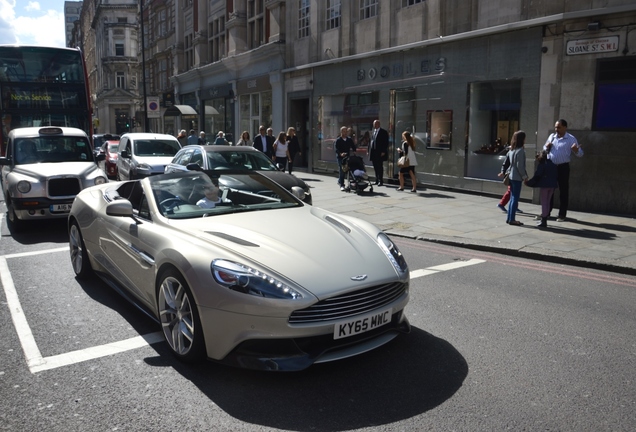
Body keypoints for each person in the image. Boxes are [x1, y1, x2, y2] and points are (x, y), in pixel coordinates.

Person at [542, 119, 583, 222]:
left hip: (563, 167)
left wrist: (576, 150)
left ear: (565, 127)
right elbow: (544, 148)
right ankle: (547, 212)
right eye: (555, 127)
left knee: (563, 190)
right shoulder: (552, 137)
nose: (557, 129)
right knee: (549, 190)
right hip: (551, 167)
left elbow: (580, 154)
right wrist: (546, 147)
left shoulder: (571, 139)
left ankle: (562, 214)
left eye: (559, 127)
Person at [525, 150, 558, 228]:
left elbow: (537, 176)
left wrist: (529, 183)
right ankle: (545, 218)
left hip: (545, 185)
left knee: (544, 202)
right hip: (552, 185)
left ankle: (544, 220)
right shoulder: (553, 164)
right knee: (548, 201)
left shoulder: (542, 165)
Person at [504, 130, 529, 226]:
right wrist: (525, 177)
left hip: (511, 176)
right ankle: (512, 219)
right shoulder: (521, 151)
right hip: (517, 177)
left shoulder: (512, 150)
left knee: (512, 198)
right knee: (515, 198)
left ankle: (509, 218)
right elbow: (520, 166)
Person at [335, 126, 356, 191]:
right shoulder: (338, 140)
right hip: (340, 158)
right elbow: (336, 149)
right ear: (341, 132)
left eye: (346, 131)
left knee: (349, 170)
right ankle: (342, 185)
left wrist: (354, 151)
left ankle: (340, 181)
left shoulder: (349, 139)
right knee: (342, 171)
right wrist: (340, 154)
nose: (345, 133)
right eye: (344, 131)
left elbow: (353, 146)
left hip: (347, 157)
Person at [368, 119, 389, 186]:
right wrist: (369, 150)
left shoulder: (383, 132)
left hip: (379, 152)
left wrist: (383, 151)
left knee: (380, 166)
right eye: (374, 124)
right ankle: (376, 179)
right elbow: (370, 141)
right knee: (375, 166)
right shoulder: (373, 132)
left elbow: (385, 142)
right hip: (373, 151)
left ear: (379, 124)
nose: (375, 125)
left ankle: (381, 180)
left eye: (376, 124)